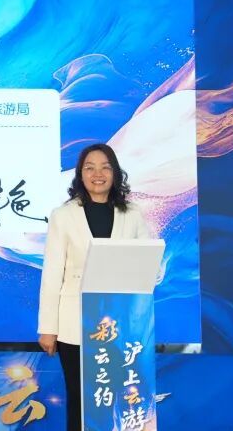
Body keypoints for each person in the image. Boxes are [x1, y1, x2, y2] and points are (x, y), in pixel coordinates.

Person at [37, 143, 151, 431]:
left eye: (105, 167)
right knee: (80, 399)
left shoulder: (133, 214)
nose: (97, 174)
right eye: (90, 168)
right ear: (80, 174)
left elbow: (149, 264)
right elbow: (52, 274)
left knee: (118, 399)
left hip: (120, 323)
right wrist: (48, 327)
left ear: (115, 173)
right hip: (75, 323)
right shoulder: (63, 216)